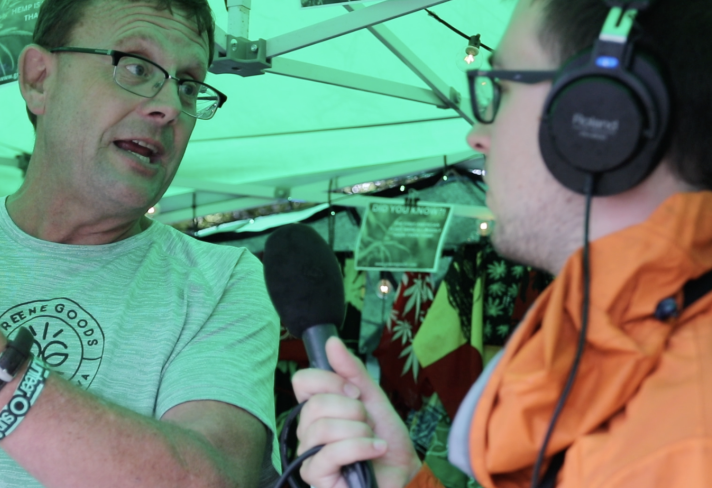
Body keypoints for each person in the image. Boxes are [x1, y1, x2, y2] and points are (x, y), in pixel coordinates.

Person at [0, 0, 281, 486]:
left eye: (189, 84)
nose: (170, 107)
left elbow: (212, 480)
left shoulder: (220, 283)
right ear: (39, 79)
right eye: (136, 66)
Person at [291, 0, 712, 487]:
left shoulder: (681, 439)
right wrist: (404, 480)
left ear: (601, 113)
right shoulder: (607, 345)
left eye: (503, 90)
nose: (475, 135)